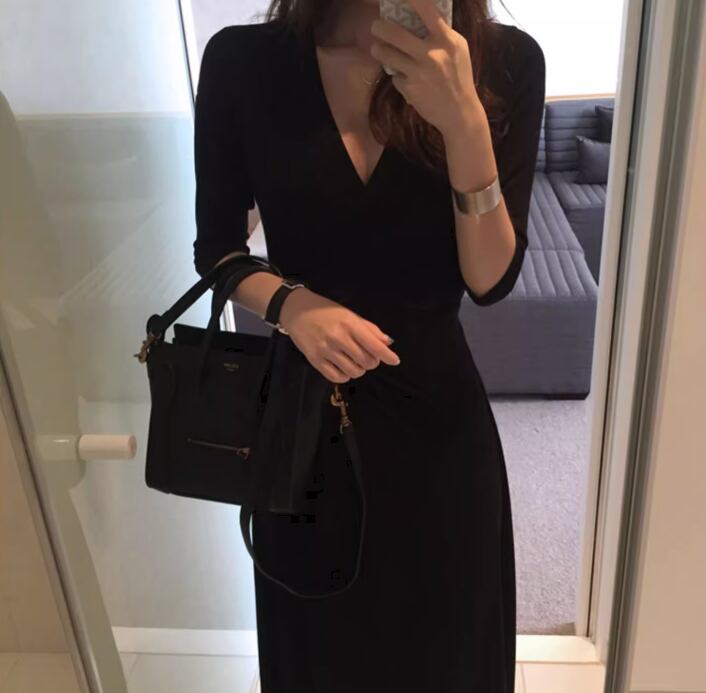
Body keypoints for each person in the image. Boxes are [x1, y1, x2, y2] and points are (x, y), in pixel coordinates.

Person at [192, 0, 545, 690]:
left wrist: (463, 121)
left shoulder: (505, 63)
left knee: (447, 659)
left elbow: (490, 280)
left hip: (438, 435)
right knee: (320, 657)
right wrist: (293, 305)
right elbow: (220, 251)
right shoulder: (244, 62)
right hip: (304, 432)